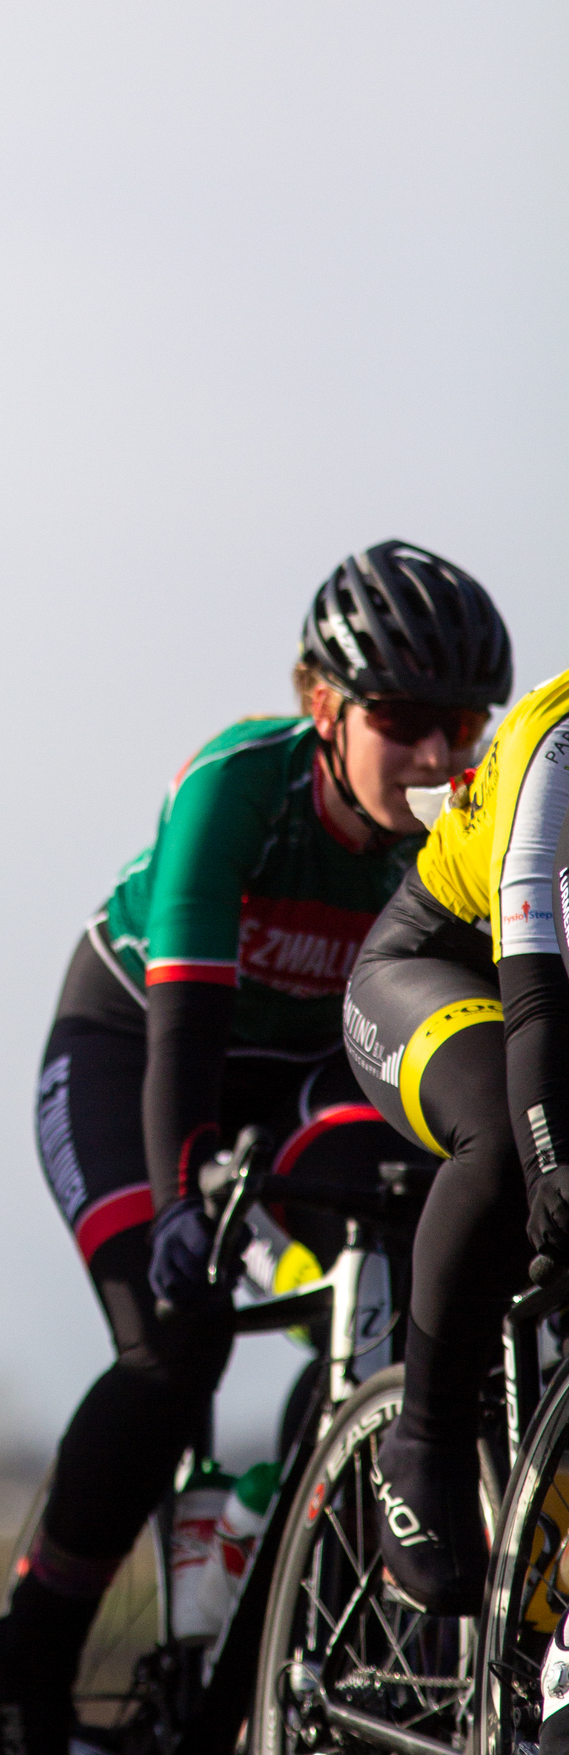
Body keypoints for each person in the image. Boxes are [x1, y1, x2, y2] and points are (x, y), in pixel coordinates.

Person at [0, 541, 509, 1755]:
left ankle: (309, 1581)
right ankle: (29, 1655)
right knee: (173, 1348)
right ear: (322, 703)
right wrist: (180, 1199)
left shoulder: (463, 833)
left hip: (317, 1068)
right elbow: (184, 1028)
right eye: (405, 720)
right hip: (138, 1045)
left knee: (420, 1270)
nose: (437, 760)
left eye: (463, 727)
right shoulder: (241, 785)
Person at [342, 662, 569, 1612]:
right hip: (445, 967)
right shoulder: (554, 743)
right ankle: (424, 1442)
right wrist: (552, 1160)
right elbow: (536, 1004)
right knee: (508, 1145)